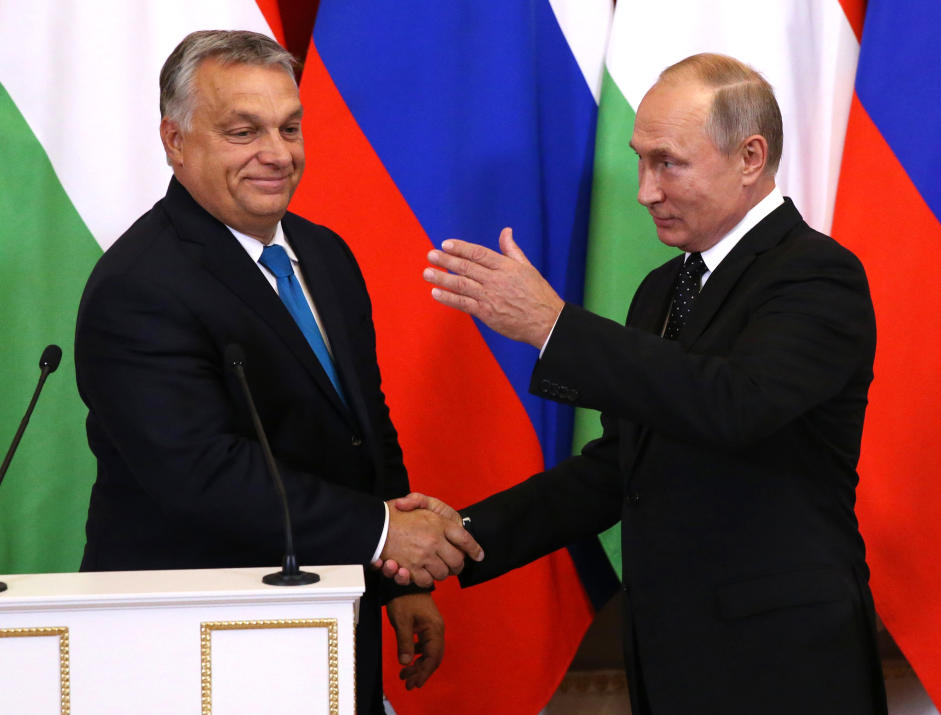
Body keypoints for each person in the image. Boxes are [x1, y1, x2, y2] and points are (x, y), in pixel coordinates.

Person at [389, 53, 888, 713]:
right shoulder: (663, 289)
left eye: (668, 162)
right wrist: (461, 534)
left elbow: (731, 403)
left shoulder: (817, 276)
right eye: (641, 159)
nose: (644, 190)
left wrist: (553, 327)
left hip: (784, 666)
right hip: (673, 661)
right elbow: (619, 469)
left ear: (750, 156)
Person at [74, 30, 481, 713]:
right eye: (243, 131)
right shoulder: (139, 284)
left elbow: (365, 429)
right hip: (194, 643)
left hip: (325, 622)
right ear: (175, 142)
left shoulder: (323, 253)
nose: (278, 153)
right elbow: (201, 473)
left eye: (290, 127)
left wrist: (400, 577)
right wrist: (383, 532)